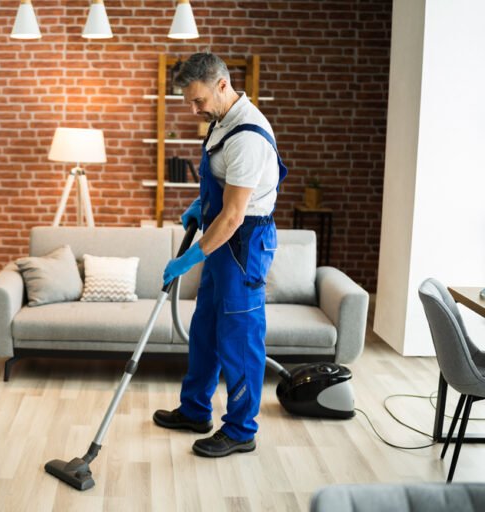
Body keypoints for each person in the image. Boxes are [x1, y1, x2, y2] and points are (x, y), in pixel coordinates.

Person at [153, 53, 287, 457]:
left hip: (243, 243)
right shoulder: (221, 121)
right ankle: (195, 410)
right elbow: (220, 185)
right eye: (189, 102)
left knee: (240, 340)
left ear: (223, 85)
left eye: (198, 101)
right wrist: (200, 205)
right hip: (221, 236)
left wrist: (188, 260)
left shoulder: (247, 135)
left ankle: (241, 430)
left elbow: (232, 217)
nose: (194, 110)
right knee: (205, 329)